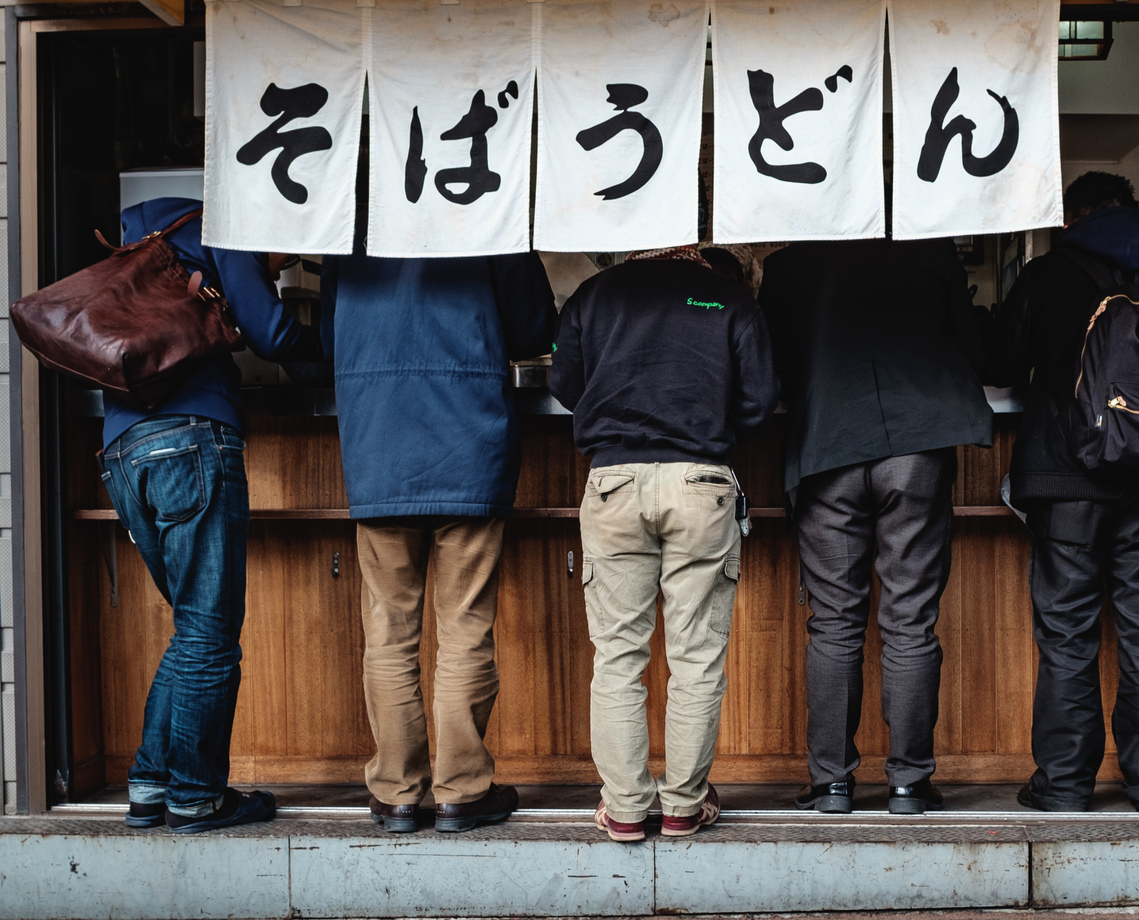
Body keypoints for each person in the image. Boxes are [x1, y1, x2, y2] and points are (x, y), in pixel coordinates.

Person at [986, 172, 1139, 813]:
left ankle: (1064, 786)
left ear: (1075, 215)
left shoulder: (1048, 274)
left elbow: (1001, 363)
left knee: (1067, 632)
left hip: (1068, 480)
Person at [321, 245, 557, 833]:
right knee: (464, 627)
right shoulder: (487, 207)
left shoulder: (348, 221)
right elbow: (533, 327)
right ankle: (461, 790)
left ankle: (399, 794)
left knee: (389, 631)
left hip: (377, 442)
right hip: (469, 438)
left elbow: (330, 339)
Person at [757, 238, 992, 815]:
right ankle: (910, 783)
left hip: (828, 444)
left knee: (835, 621)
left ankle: (832, 783)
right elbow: (980, 349)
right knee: (910, 618)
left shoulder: (789, 264)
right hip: (918, 446)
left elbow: (773, 367)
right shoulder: (931, 253)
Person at [551, 245, 778, 842]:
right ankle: (683, 804)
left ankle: (624, 808)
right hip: (701, 480)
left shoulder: (593, 296)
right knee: (696, 656)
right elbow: (759, 400)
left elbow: (565, 385)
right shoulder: (729, 298)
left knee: (618, 655)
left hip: (613, 481)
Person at [104, 197, 305, 833]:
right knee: (208, 634)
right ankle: (195, 796)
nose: (276, 266)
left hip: (121, 450)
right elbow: (271, 334)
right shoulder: (228, 219)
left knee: (191, 628)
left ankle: (151, 784)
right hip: (191, 438)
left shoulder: (137, 241)